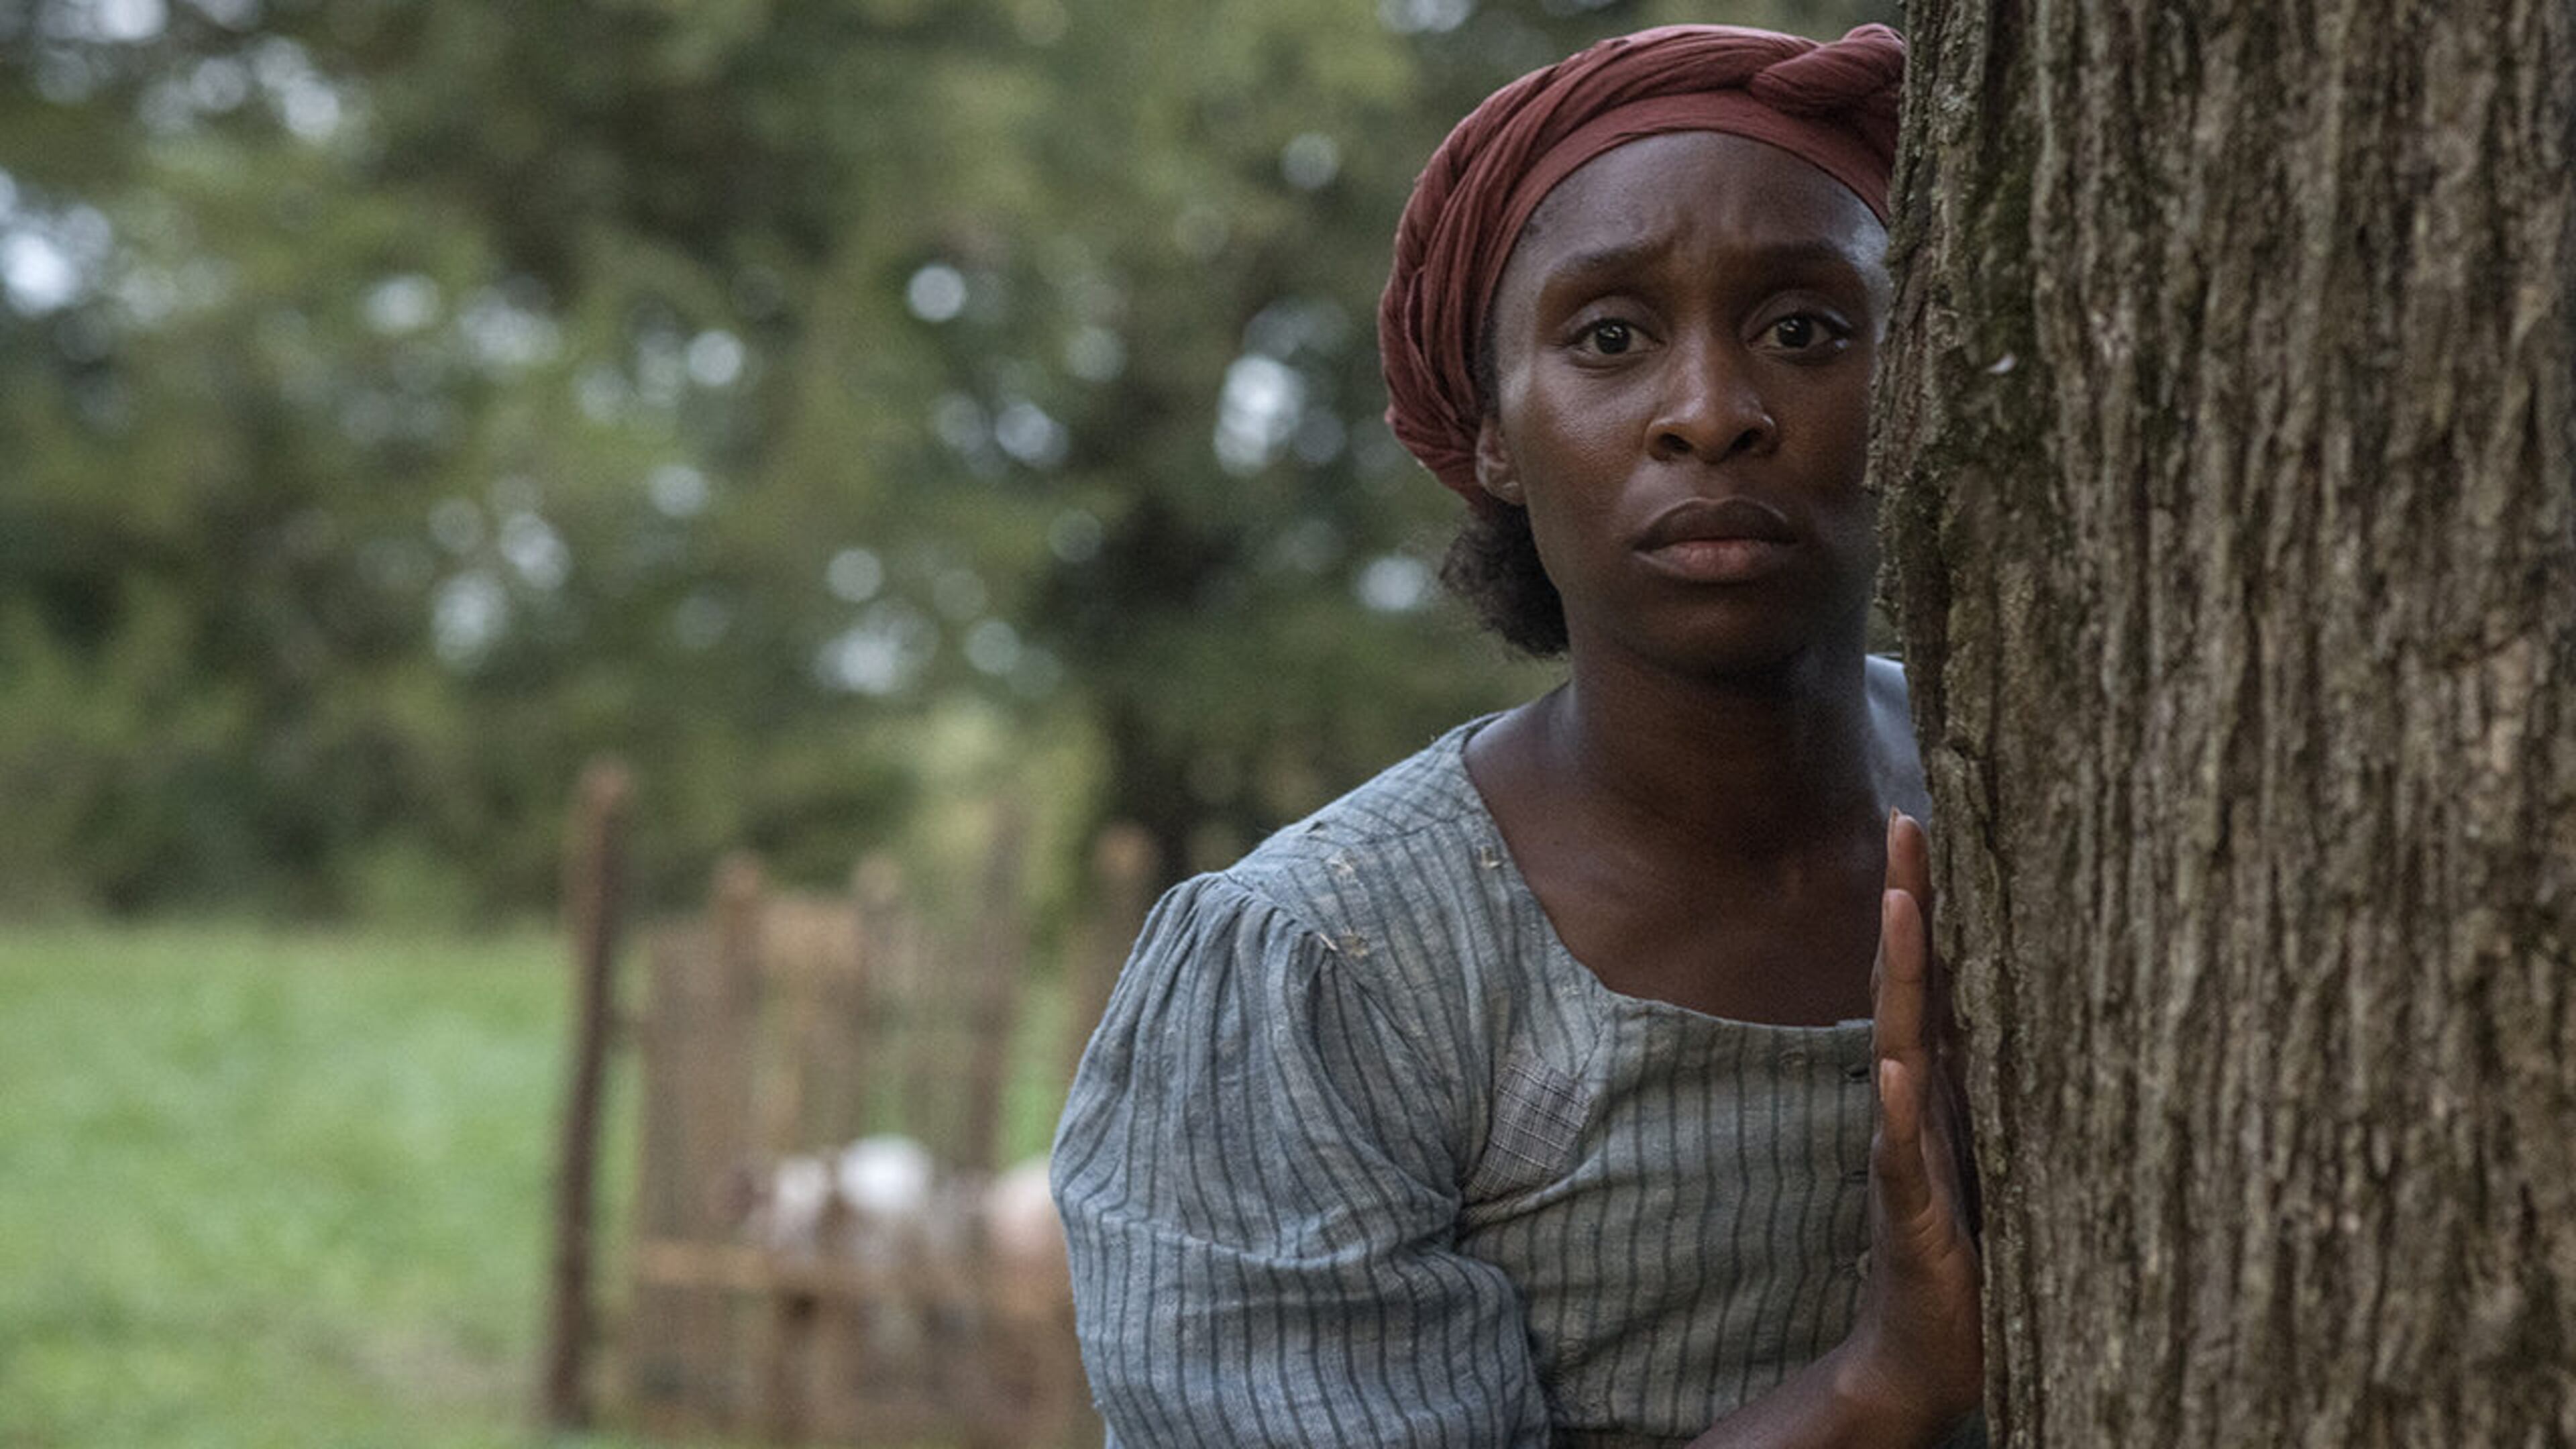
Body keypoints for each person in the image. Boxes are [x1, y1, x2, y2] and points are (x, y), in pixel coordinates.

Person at [1051, 23, 1984, 1448]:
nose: (1711, 414)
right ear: (1493, 428)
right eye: (1609, 338)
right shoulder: (1328, 971)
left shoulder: (2024, 804)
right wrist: (1883, 1385)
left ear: (1908, 380)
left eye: (1804, 329)